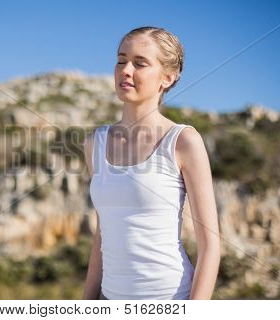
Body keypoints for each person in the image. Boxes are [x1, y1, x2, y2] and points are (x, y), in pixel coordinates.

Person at [82, 26, 220, 300]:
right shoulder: (93, 143)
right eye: (121, 60)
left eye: (140, 63)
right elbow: (102, 235)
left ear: (167, 78)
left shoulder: (183, 141)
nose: (126, 70)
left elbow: (210, 247)